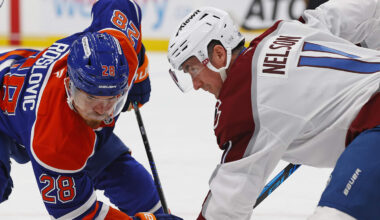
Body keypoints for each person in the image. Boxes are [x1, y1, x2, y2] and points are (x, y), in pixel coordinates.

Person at [167, 0, 380, 219]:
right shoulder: (285, 31)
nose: (195, 84)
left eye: (192, 69)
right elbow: (369, 9)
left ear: (219, 55)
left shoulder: (242, 102)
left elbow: (226, 205)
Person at [0, 0, 183, 219]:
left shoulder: (123, 49)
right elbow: (77, 214)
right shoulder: (55, 140)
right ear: (70, 87)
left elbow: (120, 3)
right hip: (19, 103)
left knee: (129, 180)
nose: (103, 111)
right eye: (92, 97)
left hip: (29, 78)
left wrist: (140, 63)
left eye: (114, 98)